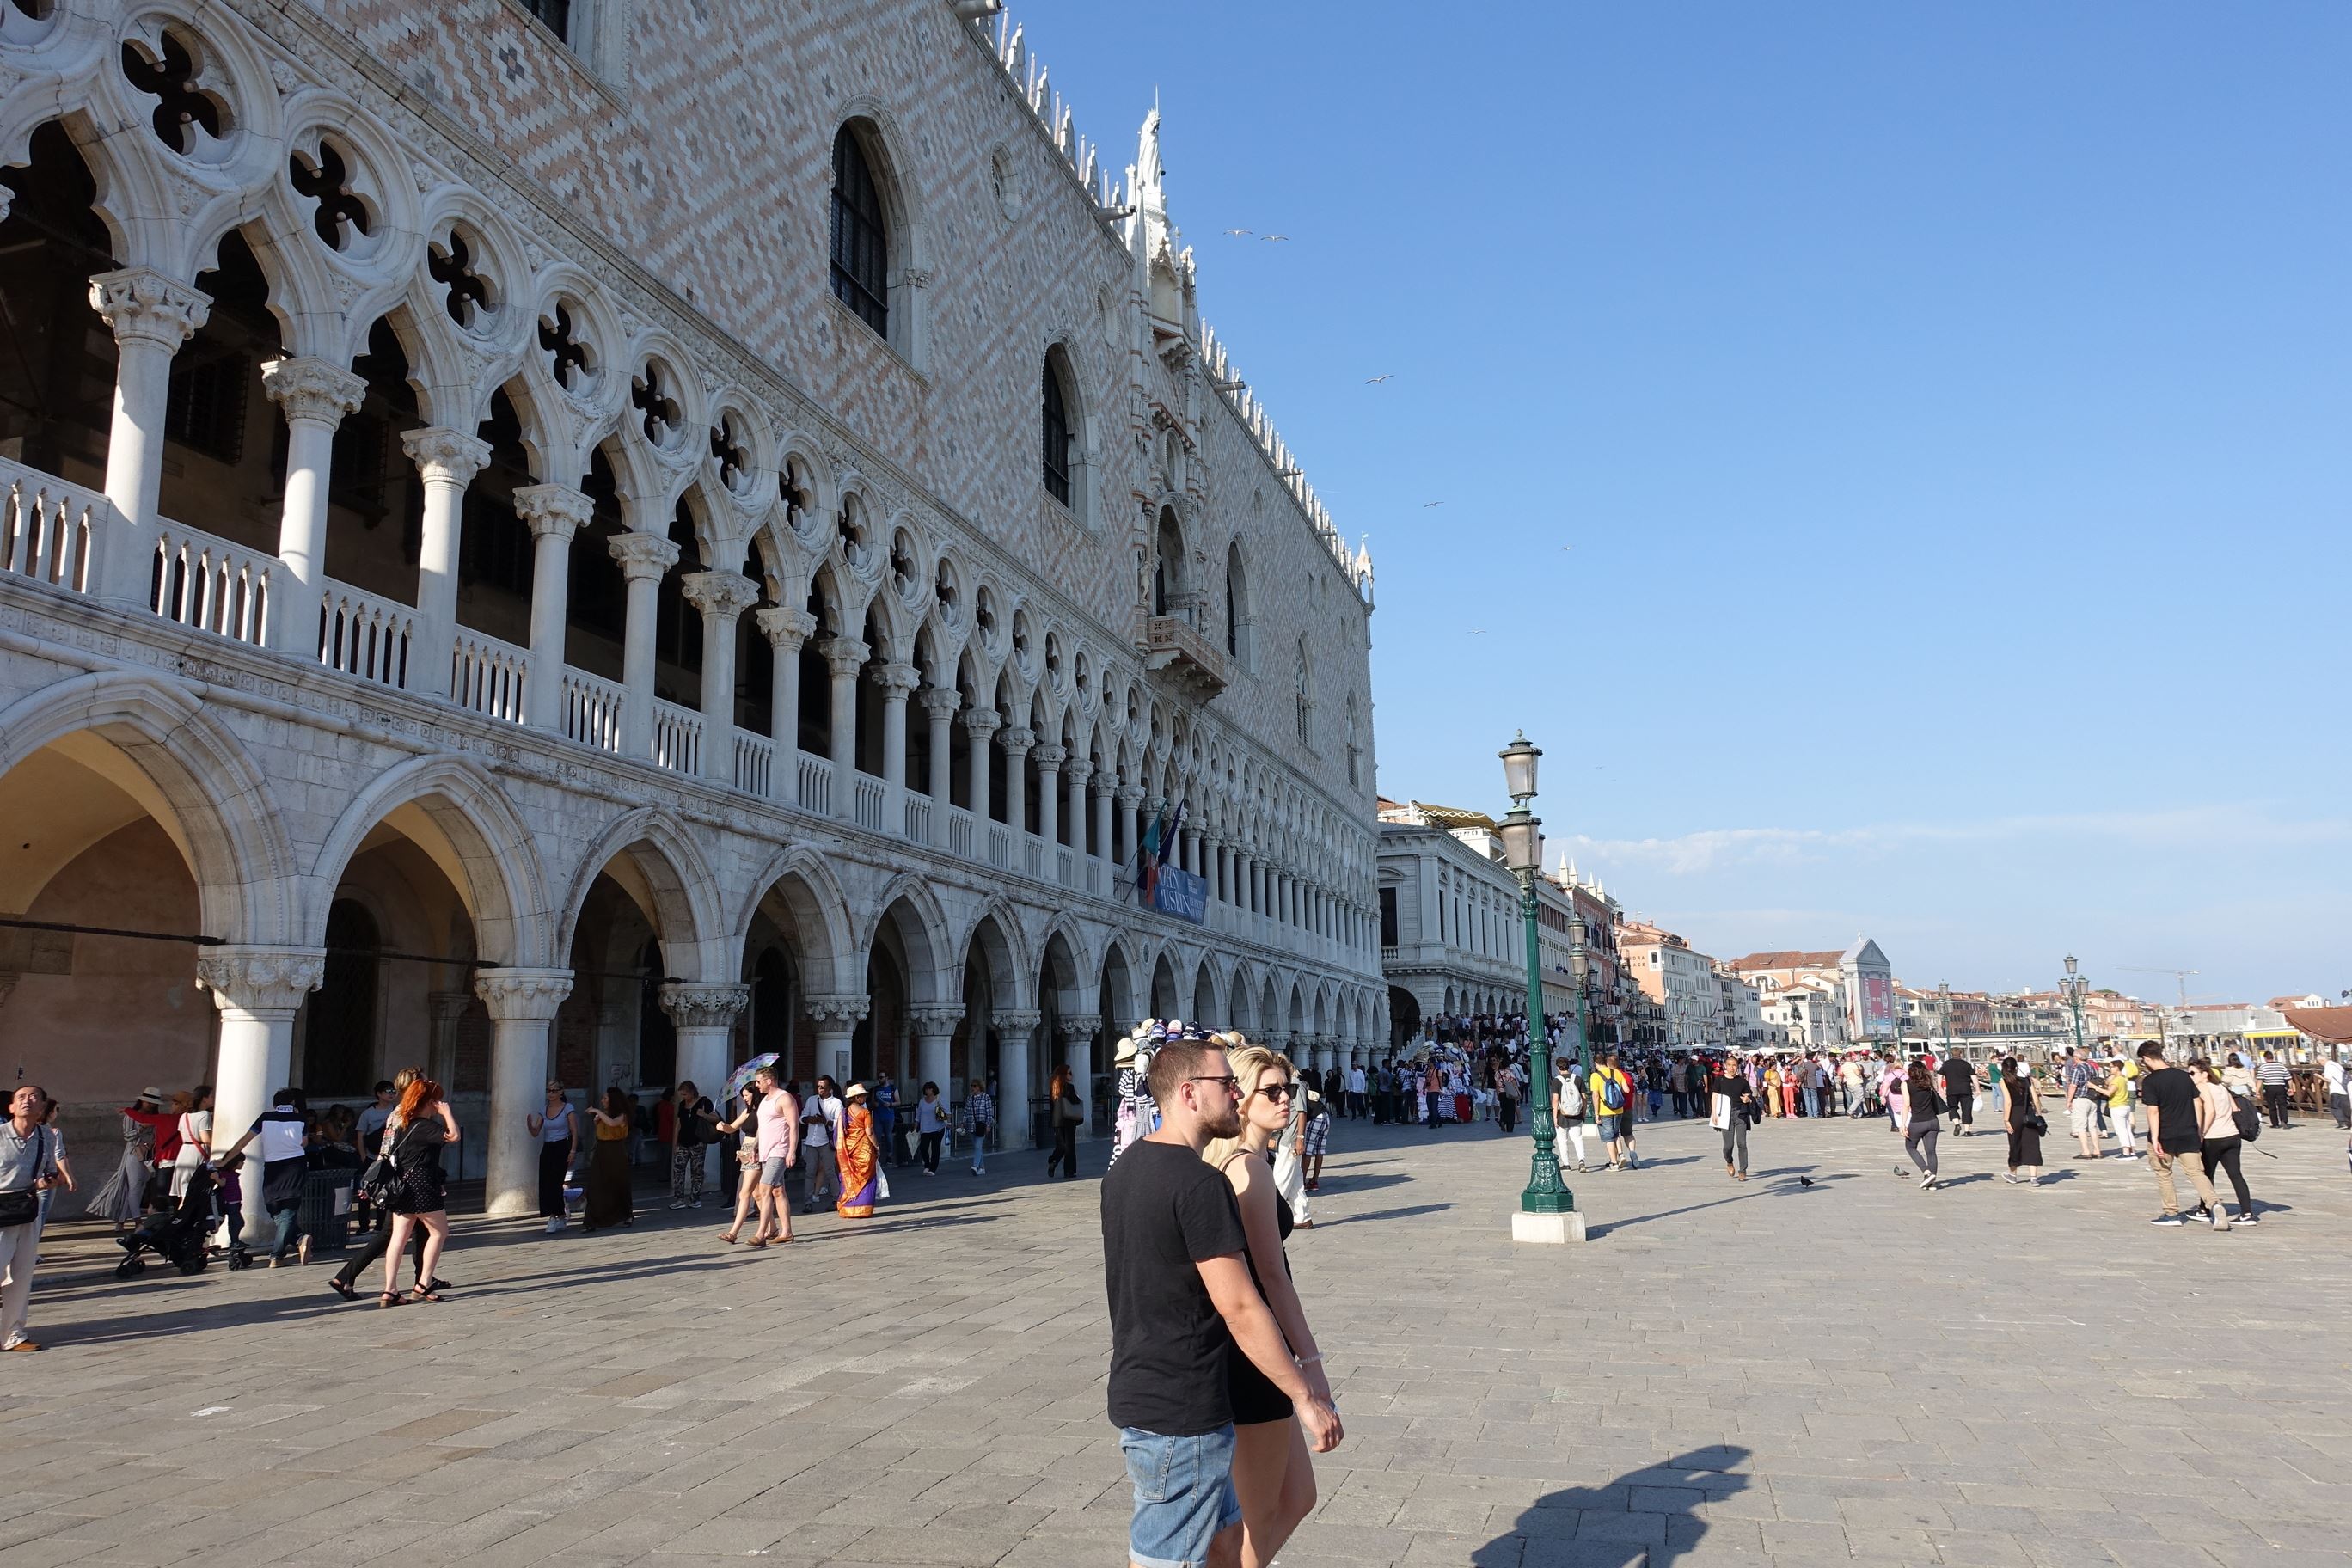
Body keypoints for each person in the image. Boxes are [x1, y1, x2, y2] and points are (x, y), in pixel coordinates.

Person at [1099, 1035, 1341, 1568]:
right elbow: (1242, 1303)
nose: (1234, 1094)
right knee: (1170, 1555)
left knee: (1225, 1544)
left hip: (1146, 1386)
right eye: (1226, 1085)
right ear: (1189, 1092)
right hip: (1183, 1405)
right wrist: (1304, 1393)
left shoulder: (1125, 1169)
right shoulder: (1199, 1183)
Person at [1203, 1045, 1332, 1568]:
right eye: (1271, 1091)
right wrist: (1311, 1366)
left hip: (1256, 1352)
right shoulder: (1249, 1172)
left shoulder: (1247, 1162)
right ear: (1239, 1099)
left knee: (1298, 1496)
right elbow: (1273, 1280)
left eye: (1288, 1089)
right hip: (1258, 1359)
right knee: (1252, 1525)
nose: (1285, 1100)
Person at [371, 1075, 458, 1304]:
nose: (438, 1105)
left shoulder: (405, 1125)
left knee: (398, 1238)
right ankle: (423, 1282)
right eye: (436, 1101)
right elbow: (453, 1136)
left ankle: (390, 1290)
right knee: (440, 1232)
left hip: (402, 1184)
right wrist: (447, 1113)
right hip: (421, 1183)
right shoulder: (426, 1126)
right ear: (428, 1103)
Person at [211, 1088, 312, 1264]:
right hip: (295, 1165)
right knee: (279, 1209)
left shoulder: (265, 1117)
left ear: (275, 1104)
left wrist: (225, 1160)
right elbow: (303, 1143)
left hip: (274, 1166)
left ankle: (277, 1254)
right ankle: (299, 1238)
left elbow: (244, 1141)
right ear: (292, 1104)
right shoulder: (300, 1119)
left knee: (282, 1209)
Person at [2138, 1041, 2226, 1230]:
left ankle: (2171, 1213)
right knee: (2196, 1173)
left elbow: (2153, 1112)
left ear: (2146, 1058)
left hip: (2165, 1134)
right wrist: (2198, 1129)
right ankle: (2214, 1203)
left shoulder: (2151, 1081)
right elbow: (2198, 1104)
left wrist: (2155, 1138)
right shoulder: (2184, 1077)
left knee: (2164, 1174)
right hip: (2188, 1132)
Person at [0, 1085, 62, 1353]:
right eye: (21, 1097)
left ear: (42, 1108)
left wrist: (48, 1181)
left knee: (22, 1276)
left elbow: (50, 1172)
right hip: (0, 1208)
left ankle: (13, 1334)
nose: (28, 1101)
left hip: (27, 1209)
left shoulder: (45, 1136)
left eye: (34, 1097)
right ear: (11, 1108)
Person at [2194, 1058, 2258, 1227]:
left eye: (2193, 1073)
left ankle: (2205, 1209)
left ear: (2204, 1074)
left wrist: (2201, 1132)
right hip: (2232, 1135)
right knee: (2236, 1175)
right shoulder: (2221, 1087)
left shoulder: (2202, 1087)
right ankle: (2247, 1213)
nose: (2190, 1076)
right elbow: (2235, 1108)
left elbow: (2210, 1111)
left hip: (2213, 1137)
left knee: (2207, 1175)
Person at [740, 1067, 800, 1246]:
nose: (756, 1085)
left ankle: (761, 1234)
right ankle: (787, 1231)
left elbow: (794, 1126)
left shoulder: (785, 1098)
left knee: (765, 1189)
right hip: (765, 1151)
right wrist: (755, 1147)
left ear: (769, 1081)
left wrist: (792, 1151)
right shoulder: (765, 1100)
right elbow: (762, 1127)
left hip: (779, 1151)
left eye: (759, 1081)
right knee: (778, 1191)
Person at [581, 1087, 634, 1232]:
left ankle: (626, 1214)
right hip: (602, 1150)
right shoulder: (604, 1115)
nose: (603, 1101)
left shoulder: (622, 1115)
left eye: (605, 1098)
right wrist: (597, 1118)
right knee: (595, 1185)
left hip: (616, 1151)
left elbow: (612, 1123)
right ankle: (591, 1221)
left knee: (618, 1183)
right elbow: (601, 1130)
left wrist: (597, 1112)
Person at [528, 1081, 578, 1234]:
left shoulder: (568, 1108)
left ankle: (553, 1216)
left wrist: (572, 1151)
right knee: (546, 1183)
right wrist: (530, 1126)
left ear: (561, 1092)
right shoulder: (544, 1109)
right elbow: (536, 1132)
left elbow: (574, 1131)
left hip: (562, 1146)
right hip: (548, 1147)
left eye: (554, 1091)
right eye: (548, 1091)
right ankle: (560, 1215)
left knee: (556, 1183)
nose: (551, 1094)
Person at [1709, 1058, 1758, 1181]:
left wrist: (1748, 1100)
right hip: (1725, 1115)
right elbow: (1714, 1096)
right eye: (1729, 1065)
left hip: (1740, 1113)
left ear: (1737, 1066)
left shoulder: (1742, 1081)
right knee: (1728, 1146)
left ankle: (1743, 1170)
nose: (1732, 1068)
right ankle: (1729, 1161)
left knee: (1742, 1143)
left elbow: (1748, 1095)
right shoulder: (1720, 1080)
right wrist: (1714, 1113)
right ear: (1725, 1066)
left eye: (1734, 1065)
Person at [836, 1083, 879, 1219]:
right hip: (864, 1149)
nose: (865, 1098)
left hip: (848, 1149)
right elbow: (869, 1132)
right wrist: (877, 1146)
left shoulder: (844, 1112)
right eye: (863, 1096)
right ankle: (863, 1209)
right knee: (867, 1177)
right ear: (857, 1098)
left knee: (850, 1176)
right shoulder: (865, 1112)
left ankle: (848, 1208)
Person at [669, 1079, 714, 1209]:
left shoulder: (704, 1102)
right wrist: (675, 1142)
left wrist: (704, 1115)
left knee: (697, 1171)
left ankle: (695, 1198)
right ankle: (679, 1199)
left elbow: (715, 1118)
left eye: (685, 1094)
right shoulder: (682, 1105)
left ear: (692, 1092)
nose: (684, 1097)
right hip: (683, 1142)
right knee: (678, 1169)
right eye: (682, 1095)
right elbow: (678, 1124)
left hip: (698, 1142)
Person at [2000, 1056, 2043, 1186]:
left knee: (2015, 1143)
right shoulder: (2026, 1081)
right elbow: (2035, 1100)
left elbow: (2008, 1102)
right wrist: (2038, 1114)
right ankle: (2034, 1178)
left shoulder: (2004, 1081)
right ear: (2016, 1068)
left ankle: (2013, 1174)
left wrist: (2006, 1120)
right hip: (2029, 1113)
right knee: (2032, 1144)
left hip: (2015, 1115)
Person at [802, 1076, 844, 1206]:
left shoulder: (836, 1103)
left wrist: (826, 1121)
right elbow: (802, 1116)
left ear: (830, 1089)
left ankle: (836, 1198)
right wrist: (808, 1119)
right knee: (810, 1172)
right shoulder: (811, 1100)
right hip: (811, 1141)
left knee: (830, 1171)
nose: (820, 1090)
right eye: (818, 1087)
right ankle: (808, 1200)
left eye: (823, 1087)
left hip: (826, 1141)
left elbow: (840, 1122)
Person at [1902, 1059, 1944, 1191]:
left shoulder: (1906, 1084)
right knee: (1931, 1152)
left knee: (1910, 1147)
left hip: (1917, 1122)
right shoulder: (1928, 1083)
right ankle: (1932, 1183)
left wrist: (1902, 1124)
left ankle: (1926, 1172)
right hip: (1933, 1121)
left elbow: (1906, 1105)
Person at [1592, 1052, 1636, 1170]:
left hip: (1604, 1110)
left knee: (1609, 1137)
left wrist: (1596, 1114)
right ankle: (1621, 1155)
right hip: (1618, 1109)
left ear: (1596, 1063)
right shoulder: (1617, 1073)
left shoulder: (1595, 1076)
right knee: (1615, 1134)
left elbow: (1595, 1096)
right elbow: (1626, 1090)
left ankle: (1614, 1163)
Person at [1047, 1064, 1084, 1179]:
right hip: (1068, 1120)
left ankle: (1053, 1160)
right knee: (1070, 1146)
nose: (1071, 1075)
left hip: (1057, 1121)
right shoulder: (1069, 1088)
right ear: (1064, 1074)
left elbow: (1052, 1106)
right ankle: (1070, 1171)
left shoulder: (1053, 1089)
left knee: (1061, 1145)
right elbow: (1076, 1101)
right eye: (1069, 1073)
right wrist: (1076, 1095)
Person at [2103, 1057, 2140, 1160]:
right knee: (2127, 1129)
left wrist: (2096, 1087)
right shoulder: (2123, 1078)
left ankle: (2126, 1152)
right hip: (2125, 1105)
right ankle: (2132, 1150)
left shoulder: (2117, 1080)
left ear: (2117, 1068)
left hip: (2117, 1106)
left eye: (2111, 1067)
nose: (2110, 1069)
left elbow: (2109, 1093)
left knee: (2121, 1130)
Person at [355, 1080, 396, 1157]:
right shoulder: (367, 1114)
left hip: (392, 1156)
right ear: (379, 1094)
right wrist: (364, 1157)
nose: (391, 1094)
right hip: (373, 1155)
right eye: (388, 1091)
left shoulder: (396, 1111)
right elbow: (360, 1138)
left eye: (393, 1091)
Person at [915, 1081, 948, 1175]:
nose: (927, 1091)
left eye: (929, 1089)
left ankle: (933, 1169)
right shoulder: (922, 1101)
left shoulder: (939, 1100)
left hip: (938, 1128)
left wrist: (948, 1122)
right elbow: (918, 1115)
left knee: (935, 1149)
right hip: (925, 1129)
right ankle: (927, 1164)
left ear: (933, 1090)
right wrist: (915, 1126)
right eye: (926, 1089)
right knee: (923, 1148)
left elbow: (947, 1112)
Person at [1939, 1053, 1975, 1136]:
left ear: (1951, 1054)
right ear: (1960, 1054)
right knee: (1967, 1110)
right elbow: (1973, 1077)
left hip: (1952, 1090)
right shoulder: (1966, 1064)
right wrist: (1977, 1088)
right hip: (1966, 1090)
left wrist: (1940, 1087)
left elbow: (1939, 1075)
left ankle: (1957, 1124)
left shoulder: (1946, 1064)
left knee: (1952, 1108)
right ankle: (1967, 1131)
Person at [963, 1077, 992, 1176]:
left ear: (979, 1087)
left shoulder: (986, 1097)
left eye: (974, 1086)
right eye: (972, 1086)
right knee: (977, 1147)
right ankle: (982, 1168)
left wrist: (988, 1125)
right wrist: (963, 1122)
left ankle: (975, 1166)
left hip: (981, 1125)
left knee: (978, 1146)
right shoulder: (970, 1098)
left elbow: (989, 1112)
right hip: (971, 1125)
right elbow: (966, 1111)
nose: (973, 1088)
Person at [2256, 1050, 2292, 1130]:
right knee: (2282, 1105)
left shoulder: (2263, 1067)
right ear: (2273, 1057)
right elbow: (2289, 1078)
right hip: (2280, 1087)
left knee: (2272, 1106)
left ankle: (2275, 1123)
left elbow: (2260, 1080)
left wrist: (2257, 1091)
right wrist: (2291, 1088)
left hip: (2269, 1087)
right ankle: (2284, 1121)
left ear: (2265, 1058)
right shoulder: (2281, 1066)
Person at [1495, 1057, 1522, 1136]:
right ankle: (1510, 1127)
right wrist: (1518, 1091)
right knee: (1511, 1110)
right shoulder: (1509, 1073)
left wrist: (1497, 1093)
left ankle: (1503, 1120)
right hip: (1509, 1093)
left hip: (1502, 1093)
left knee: (1504, 1108)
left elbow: (1496, 1085)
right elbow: (1513, 1083)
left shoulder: (1497, 1073)